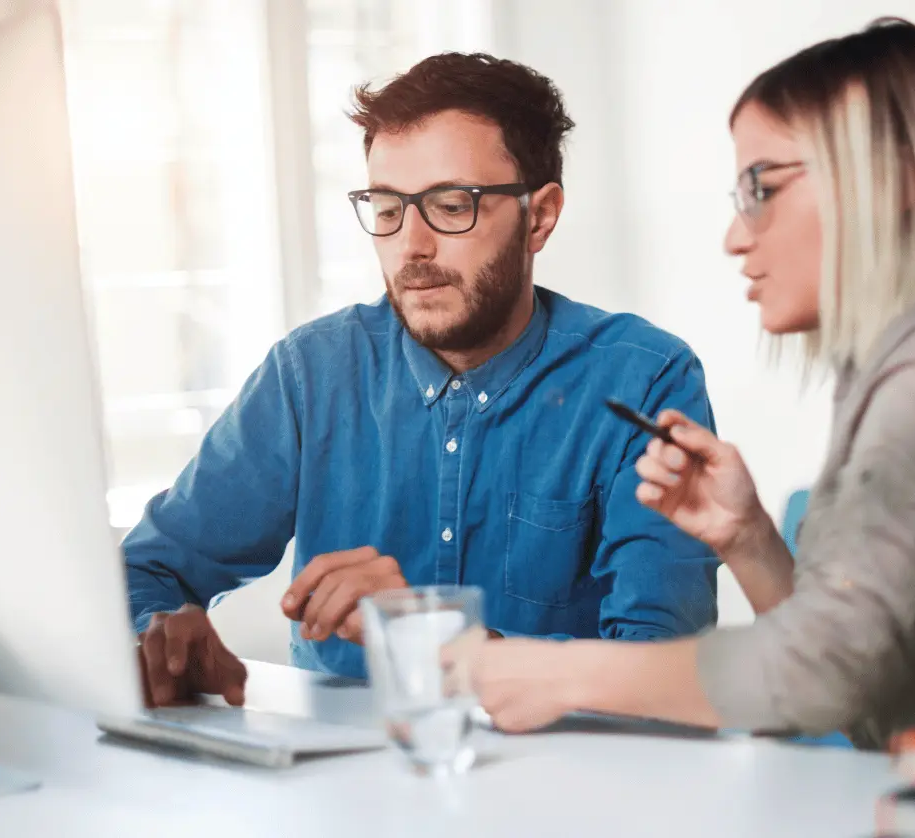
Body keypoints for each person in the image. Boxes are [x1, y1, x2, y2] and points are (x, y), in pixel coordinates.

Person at [469, 18, 915, 747]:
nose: (736, 235)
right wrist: (749, 537)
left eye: (763, 186)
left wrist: (558, 674)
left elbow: (822, 674)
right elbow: (863, 674)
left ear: (900, 177)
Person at [123, 53, 720, 707]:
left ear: (540, 217)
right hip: (340, 793)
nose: (411, 246)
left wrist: (432, 634)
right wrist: (160, 633)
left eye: (451, 205)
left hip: (561, 791)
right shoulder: (311, 375)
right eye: (387, 208)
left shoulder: (644, 381)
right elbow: (149, 568)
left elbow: (669, 677)